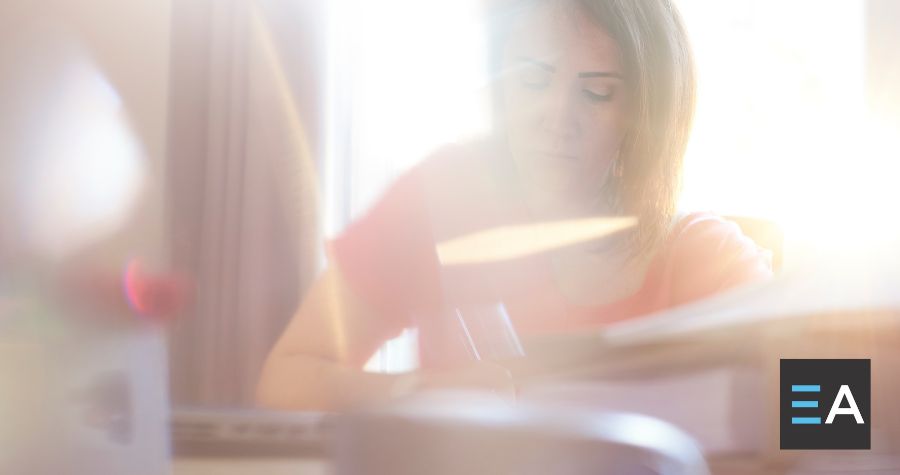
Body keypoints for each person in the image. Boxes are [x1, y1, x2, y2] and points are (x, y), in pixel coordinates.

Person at [257, 0, 772, 411]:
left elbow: (847, 412)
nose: (556, 116)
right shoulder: (439, 202)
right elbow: (286, 379)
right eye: (531, 81)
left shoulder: (701, 255)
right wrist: (415, 393)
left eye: (596, 94)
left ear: (644, 115)